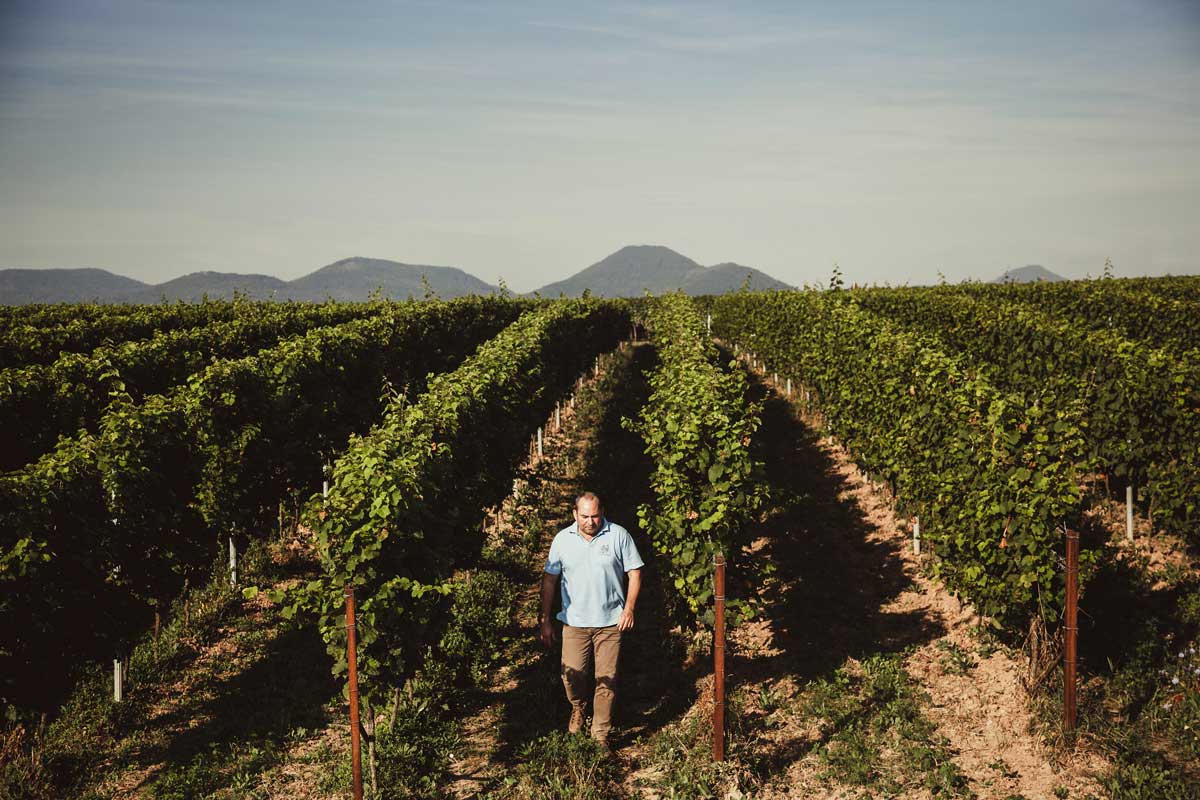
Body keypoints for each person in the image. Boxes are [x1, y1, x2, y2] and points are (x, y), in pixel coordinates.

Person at [539, 491, 644, 751]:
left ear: (602, 512)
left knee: (606, 679)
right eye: (584, 516)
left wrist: (629, 609)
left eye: (595, 516)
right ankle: (578, 706)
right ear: (575, 514)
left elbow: (635, 572)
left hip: (610, 622)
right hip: (574, 623)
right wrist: (545, 619)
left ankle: (600, 736)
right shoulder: (562, 540)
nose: (590, 521)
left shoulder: (618, 535)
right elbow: (549, 580)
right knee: (571, 676)